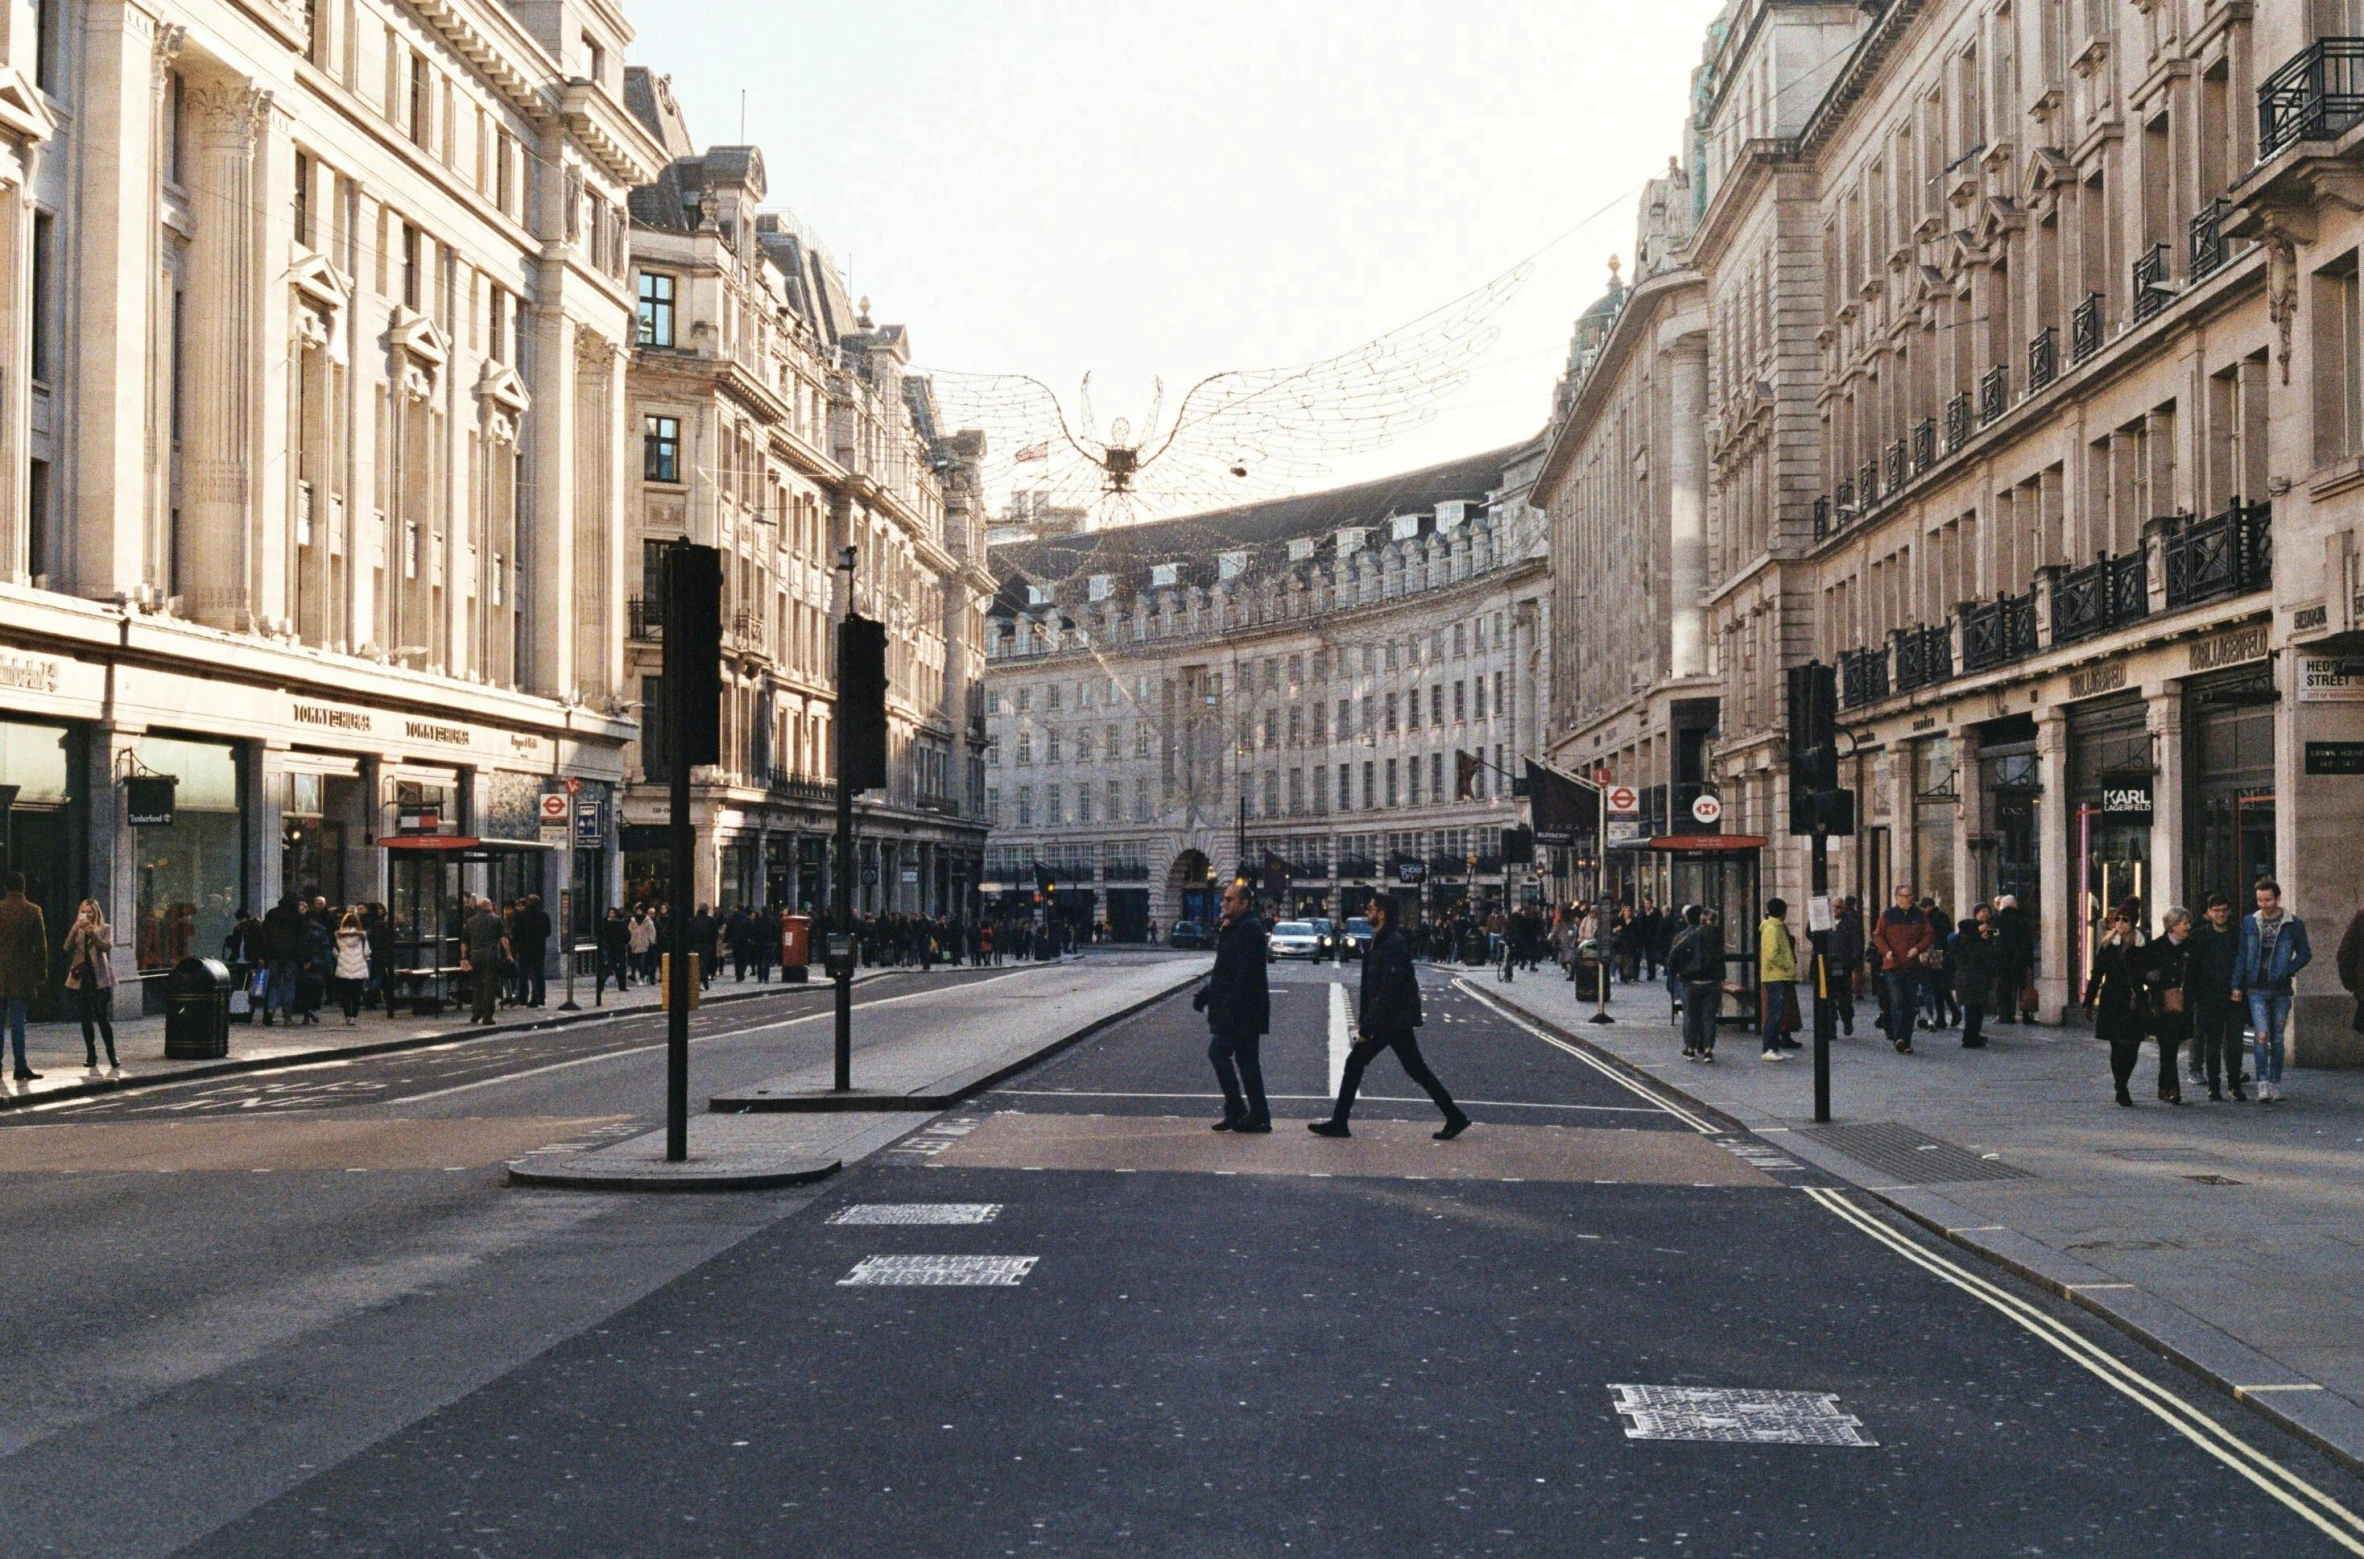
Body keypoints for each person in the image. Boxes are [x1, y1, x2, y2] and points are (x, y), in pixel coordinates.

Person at [1313, 892, 1468, 1139]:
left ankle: (1339, 1122)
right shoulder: (1380, 940)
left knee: (1363, 1064)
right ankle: (1454, 1116)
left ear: (1382, 913)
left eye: (1371, 908)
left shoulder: (1392, 943)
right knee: (1413, 1069)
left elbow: (1389, 990)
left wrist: (1367, 1026)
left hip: (1393, 1021)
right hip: (1391, 1020)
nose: (1367, 911)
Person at [1192, 879, 1271, 1133]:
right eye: (1223, 898)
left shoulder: (1249, 929)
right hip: (1240, 1009)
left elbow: (1243, 975)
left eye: (1230, 899)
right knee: (1247, 1062)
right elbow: (1223, 971)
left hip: (1241, 1010)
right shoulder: (1236, 927)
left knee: (1219, 1053)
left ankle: (1240, 1110)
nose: (1223, 903)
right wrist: (1206, 993)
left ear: (1245, 903)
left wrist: (1223, 1003)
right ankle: (1255, 1115)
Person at [2233, 877, 2311, 1103]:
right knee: (2261, 1035)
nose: (2263, 904)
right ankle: (2263, 1082)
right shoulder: (2249, 922)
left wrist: (2288, 970)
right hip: (2256, 987)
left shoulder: (2293, 924)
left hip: (2280, 989)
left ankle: (2275, 1082)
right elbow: (2242, 955)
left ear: (2277, 898)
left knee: (2277, 1038)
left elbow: (2305, 953)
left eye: (2268, 900)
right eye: (2259, 900)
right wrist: (2237, 984)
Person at [2085, 907, 2149, 1107]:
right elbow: (2097, 975)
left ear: (2133, 923)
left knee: (2133, 1046)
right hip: (2112, 998)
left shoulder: (2142, 945)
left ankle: (2123, 1081)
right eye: (2117, 919)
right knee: (2117, 1045)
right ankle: (2121, 1086)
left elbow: (2149, 970)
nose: (2120, 923)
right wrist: (2088, 1002)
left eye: (2125, 920)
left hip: (2134, 1000)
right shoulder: (2107, 944)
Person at [2188, 893, 2244, 1101]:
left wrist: (2240, 987)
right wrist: (2194, 996)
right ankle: (2214, 1086)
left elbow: (2244, 963)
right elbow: (2193, 969)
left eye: (2223, 910)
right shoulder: (2199, 937)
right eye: (2216, 910)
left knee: (2235, 1043)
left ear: (2229, 912)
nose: (2220, 914)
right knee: (2211, 1043)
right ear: (2209, 913)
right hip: (2208, 997)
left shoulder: (2237, 935)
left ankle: (2234, 1084)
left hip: (2233, 996)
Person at [62, 899, 121, 1073]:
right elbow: (66, 947)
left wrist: (93, 933)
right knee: (85, 1018)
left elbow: (106, 947)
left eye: (90, 912)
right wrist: (75, 929)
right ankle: (91, 1055)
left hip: (99, 978)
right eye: (84, 911)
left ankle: (112, 1054)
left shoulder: (105, 928)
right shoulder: (77, 928)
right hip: (82, 979)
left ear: (96, 913)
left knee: (102, 1018)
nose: (87, 915)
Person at [1871, 885, 1931, 1053]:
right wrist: (1886, 951)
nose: (1907, 899)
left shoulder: (1920, 915)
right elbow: (1877, 935)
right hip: (1893, 965)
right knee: (1897, 1002)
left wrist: (1918, 948)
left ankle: (1907, 1040)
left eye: (1910, 895)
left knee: (1910, 1004)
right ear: (1897, 897)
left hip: (1912, 966)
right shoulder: (1888, 915)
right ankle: (1898, 1038)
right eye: (1904, 896)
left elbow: (1929, 934)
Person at [2146, 908, 2195, 1105]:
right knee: (2168, 1046)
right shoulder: (2157, 946)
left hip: (2184, 1003)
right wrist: (2152, 977)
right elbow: (2146, 972)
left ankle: (2165, 1086)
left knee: (2171, 1047)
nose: (2188, 926)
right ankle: (2171, 1088)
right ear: (2173, 925)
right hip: (2162, 1003)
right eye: (2184, 923)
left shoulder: (2190, 947)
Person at [0, 872, 47, 1081]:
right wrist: (41, 972)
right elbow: (41, 946)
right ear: (23, 887)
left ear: (5, 887)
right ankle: (20, 1066)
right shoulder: (33, 911)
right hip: (23, 974)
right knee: (19, 1021)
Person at [1668, 905, 1722, 1062]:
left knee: (1691, 1016)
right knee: (1709, 1017)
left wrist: (1678, 971)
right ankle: (1707, 1050)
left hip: (1692, 981)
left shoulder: (1686, 936)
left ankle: (1690, 1048)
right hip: (1712, 982)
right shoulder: (1715, 935)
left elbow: (1673, 955)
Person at [1757, 898, 1798, 1063]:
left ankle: (1775, 1047)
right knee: (1774, 1014)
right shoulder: (1772, 929)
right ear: (1783, 912)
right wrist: (1786, 965)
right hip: (1775, 975)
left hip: (1779, 975)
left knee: (1778, 1013)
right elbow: (1772, 953)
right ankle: (1768, 1048)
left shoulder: (1775, 927)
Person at [1951, 909, 1998, 1050]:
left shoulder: (1961, 941)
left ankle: (1972, 1036)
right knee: (1975, 1011)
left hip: (1966, 980)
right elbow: (1986, 958)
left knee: (1972, 1010)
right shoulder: (1975, 943)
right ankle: (1970, 1037)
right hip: (1975, 981)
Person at [461, 897, 511, 1026]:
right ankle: (487, 1016)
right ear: (489, 907)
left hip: (475, 957)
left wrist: (464, 958)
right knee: (489, 986)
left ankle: (476, 1012)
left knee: (477, 985)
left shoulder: (470, 921)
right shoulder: (496, 920)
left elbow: (464, 943)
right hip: (491, 956)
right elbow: (503, 940)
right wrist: (509, 955)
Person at [1827, 896, 1864, 1038]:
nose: (1835, 910)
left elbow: (1857, 943)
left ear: (1843, 908)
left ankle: (1847, 1019)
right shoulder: (1826, 922)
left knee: (1844, 996)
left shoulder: (1851, 923)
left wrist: (1853, 960)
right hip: (1828, 963)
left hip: (1843, 964)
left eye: (1838, 907)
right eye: (1833, 907)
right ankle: (1831, 1026)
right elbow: (1810, 933)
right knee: (1828, 997)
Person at [510, 894, 551, 1008]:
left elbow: (516, 932)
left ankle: (523, 998)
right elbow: (548, 932)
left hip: (524, 948)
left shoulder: (521, 916)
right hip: (539, 948)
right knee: (539, 975)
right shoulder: (544, 915)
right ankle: (540, 999)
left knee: (524, 974)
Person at [331, 910, 371, 1024]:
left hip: (343, 967)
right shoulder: (362, 937)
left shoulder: (339, 936)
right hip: (358, 967)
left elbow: (335, 952)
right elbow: (367, 952)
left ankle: (347, 1015)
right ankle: (354, 1016)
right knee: (356, 993)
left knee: (345, 994)